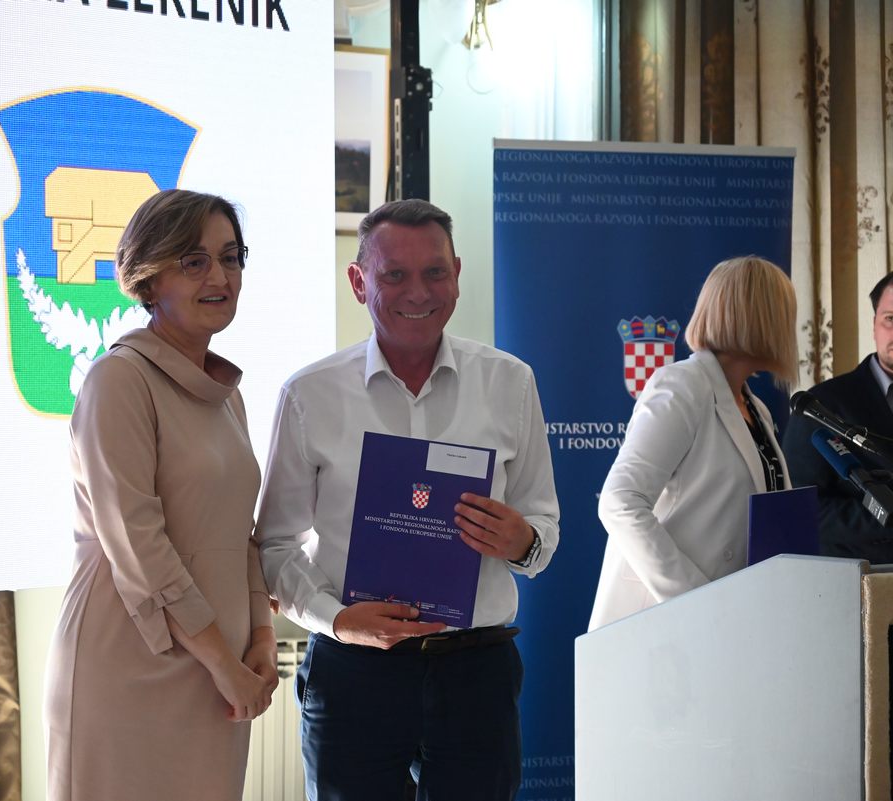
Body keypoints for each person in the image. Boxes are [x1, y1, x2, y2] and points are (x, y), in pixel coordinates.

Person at [256, 199, 560, 801]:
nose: (418, 292)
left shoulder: (510, 382)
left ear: (457, 275)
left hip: (476, 673)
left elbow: (543, 523)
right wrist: (337, 621)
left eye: (435, 272)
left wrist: (523, 541)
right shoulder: (310, 395)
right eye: (394, 274)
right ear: (358, 281)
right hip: (354, 673)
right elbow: (274, 544)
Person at [43, 189, 277, 801]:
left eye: (230, 257)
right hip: (130, 666)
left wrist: (259, 637)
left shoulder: (227, 395)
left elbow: (241, 535)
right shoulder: (117, 380)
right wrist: (222, 663)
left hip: (221, 671)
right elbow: (136, 544)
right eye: (194, 261)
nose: (219, 277)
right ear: (149, 280)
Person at [588, 255, 798, 631]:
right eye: (784, 314)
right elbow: (620, 502)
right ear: (762, 317)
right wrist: (699, 601)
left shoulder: (757, 409)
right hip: (670, 622)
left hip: (737, 618)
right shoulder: (682, 386)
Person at [781, 273, 893, 563]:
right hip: (862, 579)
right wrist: (886, 516)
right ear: (874, 325)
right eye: (890, 319)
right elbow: (801, 510)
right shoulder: (821, 405)